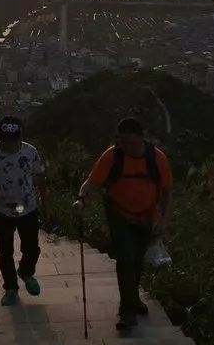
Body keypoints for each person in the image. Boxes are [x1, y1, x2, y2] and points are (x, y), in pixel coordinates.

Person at [73, 117, 172, 330]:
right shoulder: (113, 156)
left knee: (136, 262)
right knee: (126, 258)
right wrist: (81, 199)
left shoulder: (157, 159)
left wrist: (164, 220)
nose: (126, 147)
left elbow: (166, 192)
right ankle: (126, 312)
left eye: (131, 142)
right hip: (118, 214)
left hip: (146, 216)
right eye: (122, 142)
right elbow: (91, 182)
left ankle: (133, 299)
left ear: (141, 138)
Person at [0, 116, 48, 306]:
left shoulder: (30, 152)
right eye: (6, 138)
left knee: (32, 248)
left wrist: (46, 203)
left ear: (19, 136)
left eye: (13, 138)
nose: (9, 142)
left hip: (28, 207)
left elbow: (40, 176)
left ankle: (26, 272)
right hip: (1, 208)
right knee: (5, 251)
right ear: (1, 136)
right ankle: (11, 288)